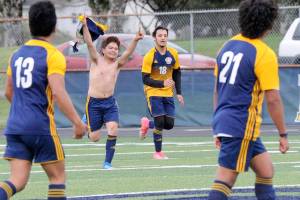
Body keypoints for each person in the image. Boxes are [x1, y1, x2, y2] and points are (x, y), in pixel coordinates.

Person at [0, 1, 86, 200]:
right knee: (57, 177)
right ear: (54, 26)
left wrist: (24, 111)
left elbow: (8, 92)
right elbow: (58, 92)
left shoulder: (16, 54)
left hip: (15, 126)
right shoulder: (53, 55)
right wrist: (77, 123)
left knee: (17, 181)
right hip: (40, 126)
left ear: (29, 25)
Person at [208, 0, 289, 199]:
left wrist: (217, 125)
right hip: (242, 125)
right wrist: (283, 133)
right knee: (225, 178)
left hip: (228, 121)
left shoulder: (227, 46)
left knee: (265, 170)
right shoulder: (264, 53)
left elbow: (217, 90)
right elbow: (273, 99)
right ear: (269, 24)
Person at [82, 16, 144, 169]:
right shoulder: (96, 59)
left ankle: (107, 163)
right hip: (94, 103)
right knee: (94, 138)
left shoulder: (118, 64)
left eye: (116, 49)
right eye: (110, 48)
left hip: (109, 103)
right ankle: (86, 122)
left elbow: (128, 53)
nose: (114, 50)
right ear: (103, 50)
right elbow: (89, 43)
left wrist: (135, 40)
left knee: (113, 129)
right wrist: (84, 26)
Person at [139, 26, 184, 160]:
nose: (163, 38)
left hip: (168, 93)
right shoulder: (149, 56)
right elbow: (145, 79)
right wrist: (162, 83)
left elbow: (177, 72)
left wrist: (179, 93)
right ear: (154, 38)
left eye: (165, 35)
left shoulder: (173, 53)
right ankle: (158, 152)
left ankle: (147, 124)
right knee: (159, 121)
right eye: (160, 35)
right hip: (153, 92)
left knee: (169, 124)